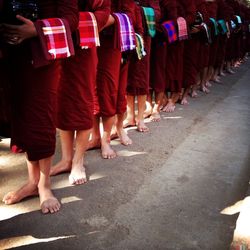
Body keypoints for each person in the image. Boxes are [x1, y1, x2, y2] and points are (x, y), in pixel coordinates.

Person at [1, 0, 78, 214]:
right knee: (23, 119)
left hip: (44, 55)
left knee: (40, 119)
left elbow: (71, 21)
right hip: (13, 56)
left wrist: (35, 29)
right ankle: (32, 182)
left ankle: (44, 186)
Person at [50, 0, 110, 185]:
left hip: (84, 46)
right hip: (59, 43)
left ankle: (78, 161)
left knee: (83, 102)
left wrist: (74, 21)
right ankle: (66, 159)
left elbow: (103, 11)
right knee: (62, 102)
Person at [89, 0, 137, 159]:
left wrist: (103, 20)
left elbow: (130, 15)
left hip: (115, 41)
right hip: (92, 37)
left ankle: (108, 138)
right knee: (94, 90)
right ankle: (95, 136)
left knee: (112, 91)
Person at [125, 0, 161, 132]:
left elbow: (157, 14)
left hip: (143, 39)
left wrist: (136, 9)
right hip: (127, 36)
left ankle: (140, 118)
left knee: (141, 79)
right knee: (127, 78)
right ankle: (130, 117)